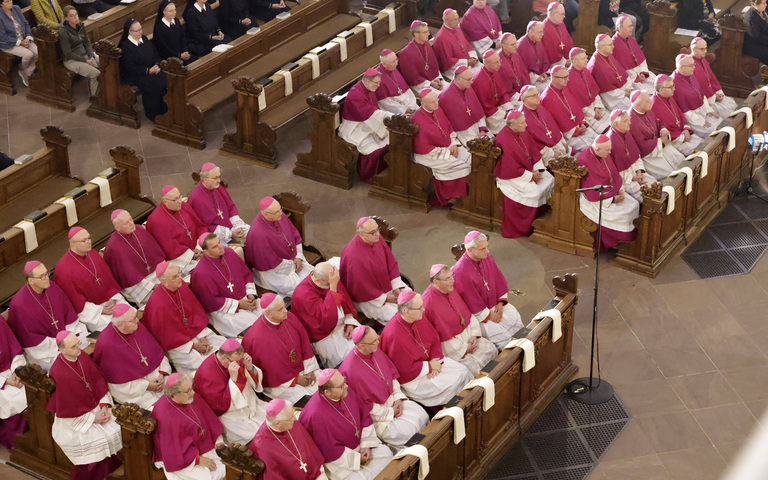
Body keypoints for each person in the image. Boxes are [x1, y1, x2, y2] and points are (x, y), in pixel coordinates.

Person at [338, 326, 428, 448]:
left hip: (394, 400)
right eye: (374, 341)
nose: (378, 342)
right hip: (379, 416)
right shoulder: (348, 371)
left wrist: (397, 398)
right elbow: (362, 406)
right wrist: (390, 411)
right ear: (361, 346)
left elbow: (391, 376)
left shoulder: (374, 350)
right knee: (408, 433)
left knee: (422, 415)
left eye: (377, 338)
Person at [48, 332, 122, 480]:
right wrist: (93, 419)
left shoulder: (82, 356)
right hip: (75, 419)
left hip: (97, 407)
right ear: (61, 350)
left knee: (119, 429)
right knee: (98, 443)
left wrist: (103, 407)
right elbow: (67, 407)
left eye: (78, 343)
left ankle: (113, 471)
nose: (79, 348)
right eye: (73, 346)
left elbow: (98, 382)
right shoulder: (59, 372)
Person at [379, 292, 474, 406]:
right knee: (450, 386)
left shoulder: (418, 316)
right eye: (419, 308)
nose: (423, 310)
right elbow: (403, 370)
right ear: (407, 311)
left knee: (463, 371)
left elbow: (434, 337)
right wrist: (429, 366)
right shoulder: (393, 335)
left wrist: (434, 360)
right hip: (415, 377)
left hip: (433, 361)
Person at [299, 369, 394, 480]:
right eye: (341, 386)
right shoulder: (314, 416)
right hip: (342, 462)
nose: (346, 386)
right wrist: (357, 459)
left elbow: (364, 415)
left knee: (386, 454)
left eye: (344, 381)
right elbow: (329, 450)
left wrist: (366, 445)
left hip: (362, 446)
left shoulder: (345, 392)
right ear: (327, 392)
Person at [143, 262, 226, 374]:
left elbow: (195, 314)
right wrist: (193, 346)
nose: (180, 278)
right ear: (164, 282)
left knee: (223, 346)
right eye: (175, 277)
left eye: (179, 274)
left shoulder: (181, 286)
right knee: (204, 366)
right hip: (179, 346)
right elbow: (168, 338)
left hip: (196, 332)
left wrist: (202, 337)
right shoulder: (157, 304)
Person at [7, 261, 89, 371]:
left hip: (67, 336)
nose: (47, 278)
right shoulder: (19, 305)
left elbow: (68, 313)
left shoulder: (52, 287)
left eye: (47, 273)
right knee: (67, 364)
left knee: (86, 345)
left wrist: (69, 339)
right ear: (31, 280)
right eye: (42, 276)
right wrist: (63, 345)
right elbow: (30, 338)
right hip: (46, 352)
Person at [242, 294, 320, 402]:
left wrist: (309, 369)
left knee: (326, 384)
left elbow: (304, 343)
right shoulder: (256, 338)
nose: (286, 311)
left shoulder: (289, 317)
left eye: (284, 306)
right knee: (308, 400)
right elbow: (270, 370)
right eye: (280, 309)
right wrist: (295, 380)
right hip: (281, 384)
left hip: (304, 367)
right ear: (268, 312)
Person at [452, 232, 525, 347]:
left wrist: (500, 302)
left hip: (495, 303)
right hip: (480, 315)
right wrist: (489, 315)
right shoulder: (460, 271)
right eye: (483, 249)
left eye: (487, 247)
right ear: (470, 250)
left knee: (515, 321)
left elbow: (497, 278)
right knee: (503, 338)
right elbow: (470, 301)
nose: (487, 251)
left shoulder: (486, 257)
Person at [422, 265, 497, 375]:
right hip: (454, 348)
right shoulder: (428, 302)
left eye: (452, 276)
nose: (453, 281)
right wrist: (465, 348)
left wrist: (474, 334)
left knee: (491, 350)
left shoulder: (450, 289)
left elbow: (467, 315)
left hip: (469, 337)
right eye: (448, 279)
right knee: (473, 370)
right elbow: (442, 337)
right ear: (436, 282)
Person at [93, 305, 170, 410]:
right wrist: (146, 385)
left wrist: (162, 374)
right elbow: (118, 383)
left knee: (178, 391)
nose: (137, 320)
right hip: (133, 390)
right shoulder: (107, 343)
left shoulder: (136, 326)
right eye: (132, 320)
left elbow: (157, 354)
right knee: (160, 408)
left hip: (156, 375)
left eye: (135, 317)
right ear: (120, 324)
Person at [151, 373, 226, 480]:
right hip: (183, 458)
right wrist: (198, 460)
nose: (193, 392)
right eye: (188, 391)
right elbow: (173, 450)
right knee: (209, 476)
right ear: (174, 394)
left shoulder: (189, 397)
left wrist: (215, 440)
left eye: (192, 387)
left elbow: (208, 420)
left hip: (201, 445)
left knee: (228, 463)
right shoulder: (165, 415)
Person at [53, 227, 129, 332]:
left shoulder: (93, 254)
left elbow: (108, 281)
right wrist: (100, 310)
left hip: (110, 301)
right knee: (113, 330)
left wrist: (113, 298)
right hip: (92, 312)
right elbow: (76, 302)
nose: (88, 242)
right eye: (84, 240)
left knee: (131, 315)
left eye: (89, 238)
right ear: (73, 244)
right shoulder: (63, 269)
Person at [193, 338, 267, 444]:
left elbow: (250, 382)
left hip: (251, 402)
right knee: (255, 436)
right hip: (231, 414)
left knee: (274, 418)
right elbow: (218, 405)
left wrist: (250, 367)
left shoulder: (233, 360)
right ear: (223, 358)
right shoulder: (207, 373)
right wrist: (233, 379)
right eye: (235, 361)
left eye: (240, 360)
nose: (238, 363)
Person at [493, 110, 554, 238]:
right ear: (511, 125)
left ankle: (542, 214)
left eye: (524, 121)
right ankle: (525, 227)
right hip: (512, 177)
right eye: (522, 123)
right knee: (534, 192)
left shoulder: (521, 131)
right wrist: (531, 176)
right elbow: (510, 167)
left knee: (549, 179)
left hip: (527, 170)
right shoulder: (503, 139)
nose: (526, 125)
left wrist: (537, 170)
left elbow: (533, 151)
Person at [339, 217, 409, 325]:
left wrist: (396, 286)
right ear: (361, 234)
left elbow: (390, 261)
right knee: (401, 317)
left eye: (377, 229)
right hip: (369, 299)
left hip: (387, 285)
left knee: (412, 300)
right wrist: (386, 299)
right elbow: (361, 288)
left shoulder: (376, 239)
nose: (377, 234)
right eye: (373, 232)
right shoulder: (352, 255)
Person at [291, 262, 359, 369]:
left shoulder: (330, 278)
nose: (332, 285)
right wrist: (333, 288)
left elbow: (344, 302)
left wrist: (349, 321)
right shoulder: (302, 295)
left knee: (365, 343)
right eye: (329, 283)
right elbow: (324, 321)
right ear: (318, 280)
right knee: (349, 362)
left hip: (344, 324)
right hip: (325, 336)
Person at [190, 233, 260, 337]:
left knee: (269, 311)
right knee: (253, 326)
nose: (220, 246)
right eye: (215, 246)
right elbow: (211, 301)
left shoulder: (229, 252)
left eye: (219, 242)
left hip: (245, 298)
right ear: (206, 251)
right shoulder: (200, 273)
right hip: (224, 310)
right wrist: (239, 304)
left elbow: (246, 275)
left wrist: (251, 295)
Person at [411, 88, 472, 207]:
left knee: (470, 158)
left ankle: (472, 194)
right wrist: (447, 151)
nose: (436, 104)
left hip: (447, 146)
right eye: (432, 102)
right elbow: (423, 146)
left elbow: (448, 127)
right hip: (429, 155)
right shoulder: (417, 120)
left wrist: (453, 143)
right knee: (461, 167)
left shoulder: (437, 109)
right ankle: (453, 197)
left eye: (436, 100)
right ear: (423, 104)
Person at [577, 135, 639, 250]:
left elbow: (613, 175)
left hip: (611, 192)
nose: (610, 152)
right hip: (597, 200)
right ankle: (619, 243)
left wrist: (619, 189)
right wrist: (613, 199)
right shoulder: (584, 161)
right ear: (597, 149)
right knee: (623, 214)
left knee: (634, 204)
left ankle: (634, 240)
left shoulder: (603, 154)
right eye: (607, 150)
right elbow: (591, 191)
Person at [244, 196, 313, 297]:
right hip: (274, 272)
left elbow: (294, 234)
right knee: (301, 289)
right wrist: (292, 265)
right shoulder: (257, 233)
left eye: (280, 209)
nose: (281, 213)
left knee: (314, 276)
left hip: (293, 260)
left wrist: (298, 256)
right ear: (266, 214)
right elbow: (269, 261)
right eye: (277, 212)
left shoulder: (279, 216)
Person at [251, 399, 327, 480]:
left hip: (316, 472)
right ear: (278, 423)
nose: (295, 418)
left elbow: (308, 446)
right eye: (290, 417)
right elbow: (273, 475)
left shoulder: (290, 423)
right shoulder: (261, 447)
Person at [104, 209, 166, 306]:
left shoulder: (139, 229)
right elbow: (128, 278)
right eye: (126, 223)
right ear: (117, 227)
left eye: (131, 219)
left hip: (156, 275)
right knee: (161, 299)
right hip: (139, 287)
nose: (131, 224)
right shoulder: (114, 247)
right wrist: (153, 286)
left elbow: (157, 256)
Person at [338, 68, 391, 184]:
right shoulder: (356, 94)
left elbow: (373, 111)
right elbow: (370, 114)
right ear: (367, 81)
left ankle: (383, 169)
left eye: (379, 82)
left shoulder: (369, 88)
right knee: (373, 150)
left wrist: (382, 129)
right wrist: (384, 127)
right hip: (354, 127)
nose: (379, 85)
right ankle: (368, 175)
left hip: (367, 122)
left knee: (388, 140)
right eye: (376, 82)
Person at [146, 185, 207, 276]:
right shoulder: (157, 220)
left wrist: (199, 247)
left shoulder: (184, 206)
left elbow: (199, 227)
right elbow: (169, 247)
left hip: (199, 250)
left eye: (180, 197)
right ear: (165, 201)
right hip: (181, 260)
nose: (179, 201)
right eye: (175, 200)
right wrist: (192, 255)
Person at [188, 162, 249, 246]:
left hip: (231, 226)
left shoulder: (217, 187)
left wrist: (238, 227)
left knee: (254, 235)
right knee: (245, 243)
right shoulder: (196, 198)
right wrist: (231, 234)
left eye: (219, 176)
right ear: (205, 179)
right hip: (217, 236)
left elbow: (230, 207)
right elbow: (204, 226)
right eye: (215, 178)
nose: (219, 180)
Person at [629, 90, 686, 180]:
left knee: (682, 160)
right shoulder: (631, 122)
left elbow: (658, 121)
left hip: (661, 146)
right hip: (651, 156)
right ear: (638, 105)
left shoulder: (647, 111)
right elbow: (641, 145)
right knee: (671, 175)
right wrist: (660, 141)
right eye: (647, 101)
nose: (651, 101)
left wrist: (663, 129)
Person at [119, 19, 168, 121]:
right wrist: (148, 71)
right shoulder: (126, 46)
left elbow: (156, 54)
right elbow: (130, 68)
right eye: (136, 31)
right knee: (154, 85)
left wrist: (157, 64)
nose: (139, 32)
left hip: (152, 70)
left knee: (166, 78)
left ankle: (165, 110)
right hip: (136, 75)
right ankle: (153, 114)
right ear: (129, 31)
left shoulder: (144, 39)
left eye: (140, 29)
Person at [541, 64, 598, 152]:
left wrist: (581, 122)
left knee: (600, 141)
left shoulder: (563, 87)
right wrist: (576, 131)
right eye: (564, 77)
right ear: (554, 79)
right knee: (592, 150)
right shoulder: (546, 98)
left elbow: (575, 107)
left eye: (567, 76)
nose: (567, 79)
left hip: (580, 127)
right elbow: (553, 124)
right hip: (569, 136)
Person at [607, 109, 656, 202]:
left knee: (655, 185)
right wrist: (633, 178)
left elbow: (636, 155)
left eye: (628, 119)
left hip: (636, 172)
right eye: (626, 121)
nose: (630, 122)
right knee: (647, 198)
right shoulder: (611, 141)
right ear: (616, 124)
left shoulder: (626, 132)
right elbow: (614, 171)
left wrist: (639, 173)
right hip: (625, 179)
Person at [651, 74, 703, 157]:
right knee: (699, 152)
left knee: (704, 143)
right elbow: (661, 131)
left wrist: (686, 128)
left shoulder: (669, 96)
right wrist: (682, 137)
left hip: (683, 133)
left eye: (673, 86)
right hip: (675, 142)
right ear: (661, 89)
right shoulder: (653, 106)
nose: (674, 89)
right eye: (670, 87)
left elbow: (680, 114)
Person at [438, 65, 488, 146]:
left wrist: (482, 130)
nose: (471, 82)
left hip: (479, 129)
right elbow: (456, 126)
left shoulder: (467, 87)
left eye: (471, 78)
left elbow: (478, 111)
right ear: (458, 79)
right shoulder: (445, 97)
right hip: (465, 136)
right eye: (468, 79)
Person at [520, 85, 570, 165]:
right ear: (525, 99)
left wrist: (562, 141)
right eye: (534, 95)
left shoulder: (538, 106)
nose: (538, 97)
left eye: (538, 94)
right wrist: (552, 154)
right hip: (548, 155)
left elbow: (553, 125)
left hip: (559, 145)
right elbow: (533, 143)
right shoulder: (522, 118)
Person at [672, 54, 719, 139]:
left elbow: (701, 95)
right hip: (691, 119)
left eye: (694, 64)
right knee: (713, 132)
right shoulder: (674, 84)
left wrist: (708, 110)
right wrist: (701, 121)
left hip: (702, 112)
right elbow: (683, 111)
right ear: (681, 67)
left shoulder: (690, 75)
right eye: (690, 66)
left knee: (720, 122)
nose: (694, 67)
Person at [689, 37, 738, 118]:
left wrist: (717, 92)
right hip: (704, 101)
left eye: (706, 48)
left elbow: (711, 78)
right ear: (694, 49)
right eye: (702, 49)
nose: (705, 51)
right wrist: (714, 97)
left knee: (732, 104)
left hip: (712, 94)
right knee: (727, 113)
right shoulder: (690, 65)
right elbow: (699, 88)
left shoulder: (703, 59)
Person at [567, 47, 610, 135]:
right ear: (574, 61)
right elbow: (577, 104)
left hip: (594, 108)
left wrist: (597, 107)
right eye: (583, 58)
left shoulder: (585, 70)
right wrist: (593, 113)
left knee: (615, 121)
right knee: (606, 131)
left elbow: (594, 91)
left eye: (586, 57)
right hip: (586, 114)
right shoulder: (569, 78)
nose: (587, 60)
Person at [59, 6, 100, 97]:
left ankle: (106, 91)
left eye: (76, 14)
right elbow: (67, 53)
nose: (76, 18)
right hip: (71, 60)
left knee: (105, 62)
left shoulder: (80, 25)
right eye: (72, 16)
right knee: (95, 73)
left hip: (84, 55)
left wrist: (91, 56)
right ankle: (95, 97)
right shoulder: (63, 31)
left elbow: (87, 43)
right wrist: (85, 60)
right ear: (67, 18)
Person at [471, 51, 513, 135]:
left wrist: (509, 109)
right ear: (486, 63)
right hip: (491, 116)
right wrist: (505, 114)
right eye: (496, 62)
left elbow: (503, 91)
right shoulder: (478, 80)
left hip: (499, 108)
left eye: (499, 61)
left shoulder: (494, 70)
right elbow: (484, 106)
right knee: (511, 127)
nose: (499, 64)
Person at [587, 34, 632, 111]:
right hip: (612, 99)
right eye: (610, 45)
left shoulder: (608, 55)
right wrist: (624, 93)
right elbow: (607, 91)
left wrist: (627, 88)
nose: (613, 47)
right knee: (632, 108)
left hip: (621, 92)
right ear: (602, 47)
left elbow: (621, 75)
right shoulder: (596, 65)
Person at [0, 316, 26, 450]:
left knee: (36, 389)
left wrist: (17, 371)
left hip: (12, 371)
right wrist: (5, 381)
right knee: (16, 399)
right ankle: (19, 444)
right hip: (2, 382)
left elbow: (14, 350)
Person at [398, 21, 444, 95]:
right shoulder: (405, 53)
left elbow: (433, 65)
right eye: (425, 32)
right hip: (419, 85)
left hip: (433, 79)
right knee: (441, 96)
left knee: (450, 89)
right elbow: (412, 77)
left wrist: (437, 79)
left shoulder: (426, 44)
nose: (428, 34)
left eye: (428, 31)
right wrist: (430, 83)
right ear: (416, 34)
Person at [433, 8, 481, 80]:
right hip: (454, 68)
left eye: (458, 19)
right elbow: (448, 61)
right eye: (455, 20)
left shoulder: (457, 28)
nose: (458, 22)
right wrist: (467, 62)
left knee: (485, 69)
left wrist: (473, 57)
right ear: (447, 20)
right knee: (473, 79)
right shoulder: (441, 38)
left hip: (468, 61)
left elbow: (467, 45)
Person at [612, 16, 654, 93]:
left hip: (639, 72)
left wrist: (642, 72)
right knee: (647, 92)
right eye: (629, 26)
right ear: (620, 29)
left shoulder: (631, 40)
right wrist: (637, 77)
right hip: (630, 79)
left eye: (632, 25)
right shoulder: (614, 44)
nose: (632, 28)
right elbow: (620, 69)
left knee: (659, 83)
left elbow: (641, 59)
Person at [0, 0, 36, 87]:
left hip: (23, 38)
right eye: (7, 1)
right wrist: (20, 42)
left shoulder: (16, 8)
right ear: (1, 4)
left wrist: (28, 37)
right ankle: (24, 71)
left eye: (10, 0)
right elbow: (3, 36)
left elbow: (25, 23)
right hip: (9, 43)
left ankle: (27, 71)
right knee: (28, 54)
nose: (10, 3)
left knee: (36, 52)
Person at [153, 0, 197, 64]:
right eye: (171, 11)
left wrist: (185, 51)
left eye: (174, 10)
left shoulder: (176, 21)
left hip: (182, 53)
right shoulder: (159, 28)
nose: (174, 12)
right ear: (164, 12)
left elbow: (183, 37)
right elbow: (164, 48)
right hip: (171, 58)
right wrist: (179, 55)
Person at [376, 49, 417, 116]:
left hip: (409, 105)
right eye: (393, 61)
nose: (397, 63)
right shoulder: (377, 78)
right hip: (396, 111)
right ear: (384, 64)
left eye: (396, 59)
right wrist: (403, 110)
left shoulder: (393, 68)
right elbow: (385, 102)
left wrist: (411, 105)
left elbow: (406, 90)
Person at [497, 33, 530, 105]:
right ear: (504, 46)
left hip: (522, 89)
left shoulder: (514, 53)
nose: (516, 46)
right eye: (512, 44)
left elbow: (524, 72)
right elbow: (504, 86)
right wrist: (520, 96)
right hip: (512, 96)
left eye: (516, 43)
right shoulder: (498, 61)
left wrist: (527, 89)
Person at [517, 21, 550, 92]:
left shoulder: (538, 41)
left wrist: (544, 72)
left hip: (541, 76)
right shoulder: (521, 46)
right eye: (540, 32)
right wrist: (537, 77)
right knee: (547, 89)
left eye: (542, 31)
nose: (542, 34)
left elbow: (545, 58)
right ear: (531, 32)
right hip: (530, 81)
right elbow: (521, 69)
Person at [744, 0, 768, 65]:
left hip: (762, 42)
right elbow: (757, 37)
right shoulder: (752, 17)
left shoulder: (760, 12)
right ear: (756, 4)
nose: (766, 5)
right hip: (756, 46)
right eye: (764, 3)